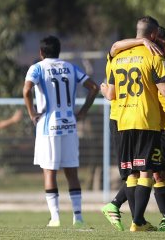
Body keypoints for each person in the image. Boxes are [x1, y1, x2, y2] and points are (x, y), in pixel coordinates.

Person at [101, 16, 165, 232]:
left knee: (135, 172)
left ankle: (136, 217)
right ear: (153, 35)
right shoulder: (154, 56)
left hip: (122, 120)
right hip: (147, 119)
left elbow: (111, 93)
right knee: (147, 171)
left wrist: (104, 90)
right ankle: (138, 221)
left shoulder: (117, 57)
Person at [22, 35, 99, 227]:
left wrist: (32, 114)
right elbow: (94, 87)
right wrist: (82, 113)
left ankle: (55, 218)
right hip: (70, 125)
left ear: (41, 53)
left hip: (48, 126)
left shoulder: (37, 68)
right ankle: (78, 217)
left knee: (50, 172)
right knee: (71, 172)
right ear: (59, 51)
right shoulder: (70, 67)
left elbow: (26, 91)